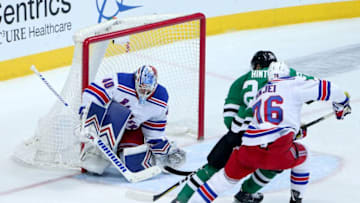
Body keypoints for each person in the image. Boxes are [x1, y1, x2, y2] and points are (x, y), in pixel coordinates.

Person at [187, 61, 351, 203]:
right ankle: (296, 199)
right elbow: (332, 89)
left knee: (220, 182)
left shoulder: (260, 93)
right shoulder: (294, 82)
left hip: (248, 149)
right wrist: (342, 105)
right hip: (277, 151)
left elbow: (247, 125)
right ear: (288, 74)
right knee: (304, 156)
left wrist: (292, 131)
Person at [173, 51, 314, 203]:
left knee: (212, 167)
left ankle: (182, 199)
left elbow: (229, 118)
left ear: (256, 66)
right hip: (268, 135)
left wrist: (239, 129)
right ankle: (246, 193)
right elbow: (310, 89)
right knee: (273, 164)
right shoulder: (286, 74)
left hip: (238, 133)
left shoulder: (240, 81)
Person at [78, 65, 186, 176]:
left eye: (148, 89)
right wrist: (87, 121)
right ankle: (96, 152)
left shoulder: (160, 99)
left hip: (131, 131)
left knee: (136, 164)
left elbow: (154, 132)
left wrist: (164, 152)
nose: (144, 92)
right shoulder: (119, 82)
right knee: (94, 166)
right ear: (135, 80)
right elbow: (93, 93)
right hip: (110, 122)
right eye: (142, 88)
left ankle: (121, 152)